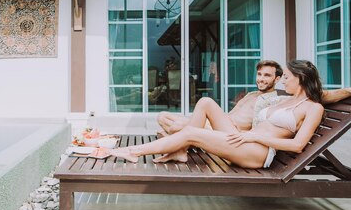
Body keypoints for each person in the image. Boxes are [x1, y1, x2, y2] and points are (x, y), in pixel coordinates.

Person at [108, 60, 327, 169]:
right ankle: (178, 151)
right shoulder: (286, 99)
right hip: (245, 141)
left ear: (302, 78)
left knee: (191, 131)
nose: (284, 81)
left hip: (258, 152)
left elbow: (298, 145)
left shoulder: (313, 108)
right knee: (205, 102)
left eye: (288, 77)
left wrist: (255, 136)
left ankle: (133, 151)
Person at [156, 59, 351, 137]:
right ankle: (182, 137)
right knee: (164, 117)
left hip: (229, 133)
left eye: (267, 76)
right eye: (260, 74)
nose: (261, 79)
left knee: (173, 125)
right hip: (216, 124)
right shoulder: (254, 94)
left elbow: (319, 95)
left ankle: (184, 139)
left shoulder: (279, 98)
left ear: (278, 79)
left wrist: (349, 90)